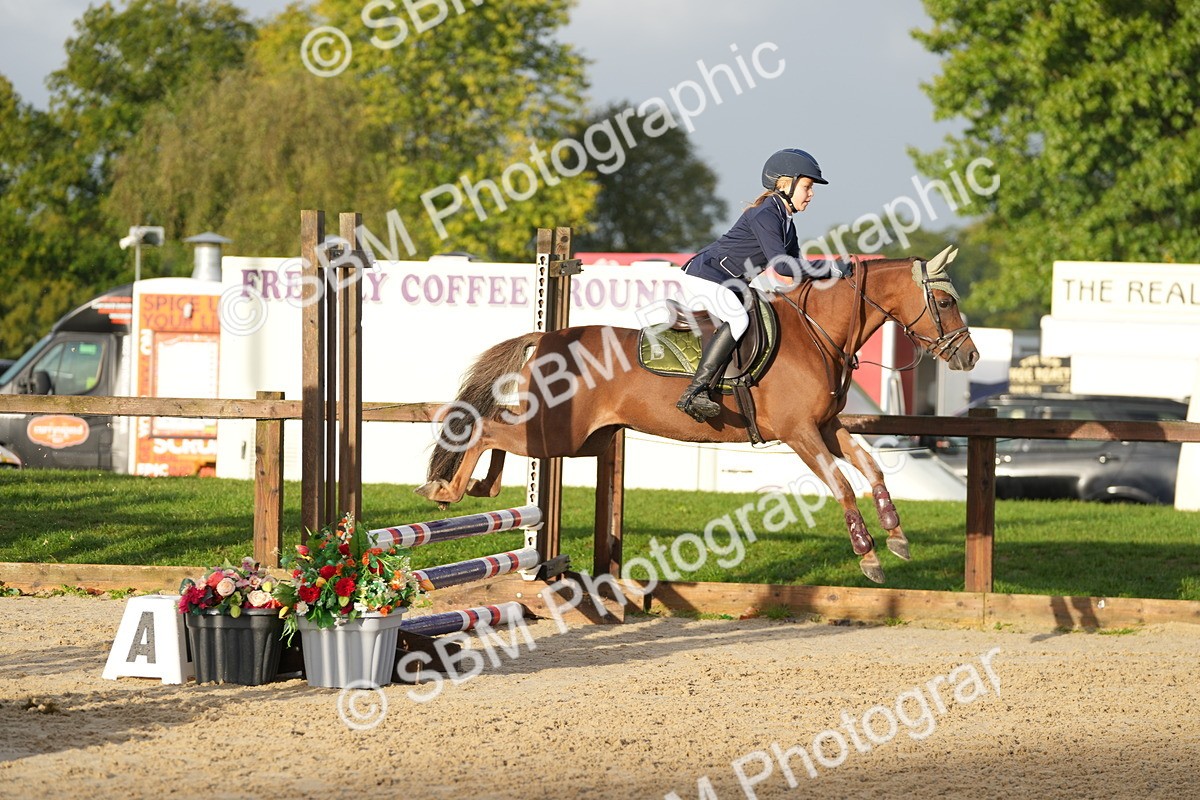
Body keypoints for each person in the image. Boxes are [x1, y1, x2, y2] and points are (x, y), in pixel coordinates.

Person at [675, 147, 846, 422]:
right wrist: (832, 267)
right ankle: (695, 392)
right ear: (785, 184)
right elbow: (780, 267)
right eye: (807, 186)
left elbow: (794, 273)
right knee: (739, 321)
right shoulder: (766, 214)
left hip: (730, 283)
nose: (811, 194)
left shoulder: (786, 222)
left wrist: (834, 281)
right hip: (704, 276)